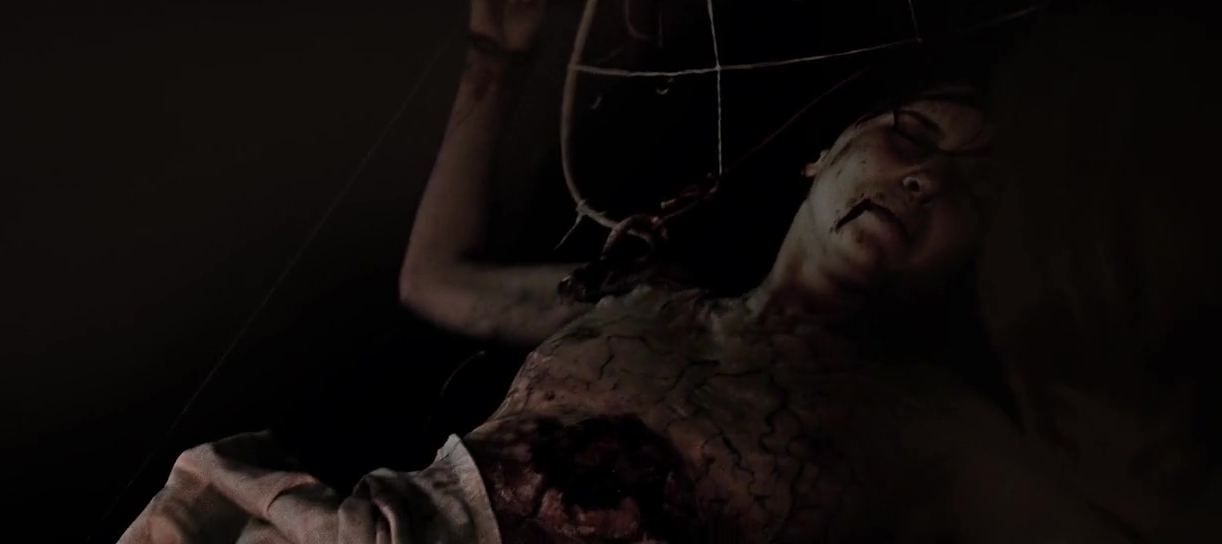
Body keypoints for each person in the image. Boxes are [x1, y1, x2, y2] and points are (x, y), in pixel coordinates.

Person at [117, 1, 1139, 542]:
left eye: (975, 188)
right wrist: (492, 57)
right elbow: (435, 279)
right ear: (821, 154)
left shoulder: (933, 435)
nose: (922, 179)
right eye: (911, 136)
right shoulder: (639, 301)